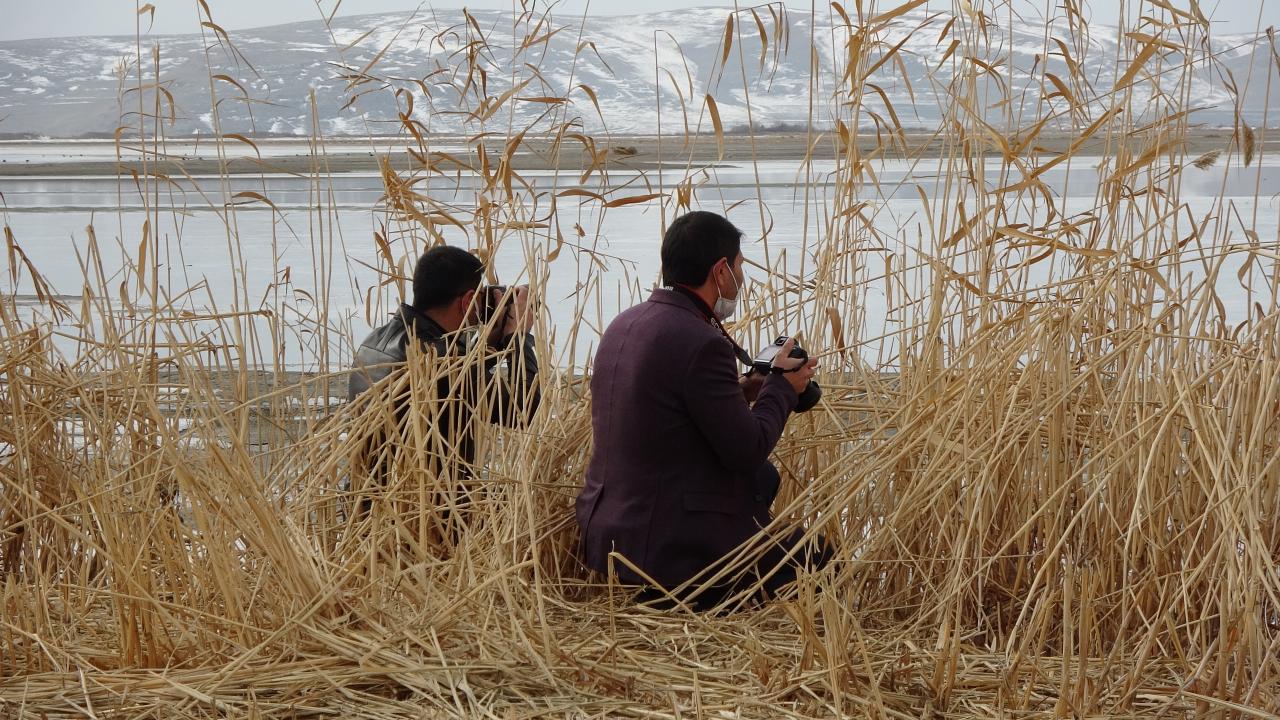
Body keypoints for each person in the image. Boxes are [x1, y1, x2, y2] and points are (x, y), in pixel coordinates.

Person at [575, 211, 826, 610]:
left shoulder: (625, 323)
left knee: (764, 481)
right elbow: (746, 449)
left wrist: (743, 390)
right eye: (740, 268)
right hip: (664, 545)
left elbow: (667, 410)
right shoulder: (701, 341)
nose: (740, 280)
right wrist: (781, 388)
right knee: (818, 560)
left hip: (607, 530)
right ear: (721, 271)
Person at [347, 245, 539, 538]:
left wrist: (489, 344)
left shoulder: (375, 342)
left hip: (371, 513)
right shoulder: (438, 362)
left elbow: (457, 385)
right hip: (423, 525)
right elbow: (523, 409)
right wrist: (518, 339)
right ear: (467, 301)